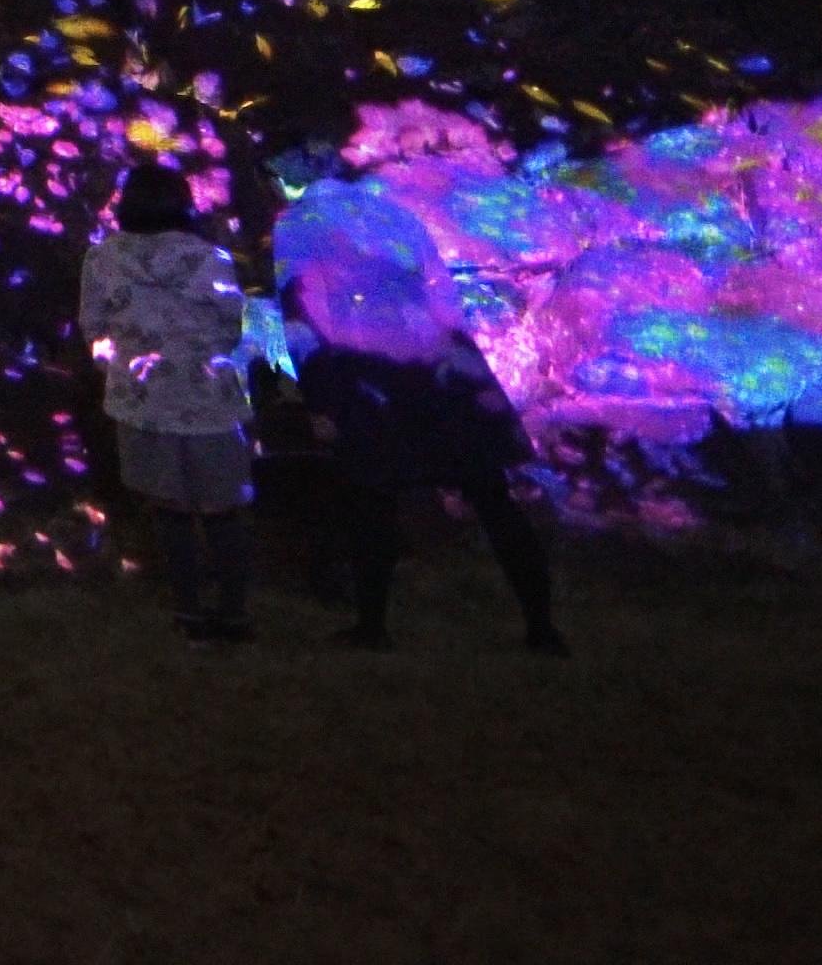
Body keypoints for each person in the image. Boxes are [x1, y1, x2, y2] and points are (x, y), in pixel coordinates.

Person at [288, 265, 567, 656]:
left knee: (376, 508)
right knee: (494, 507)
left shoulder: (361, 336)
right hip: (457, 425)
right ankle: (541, 629)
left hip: (404, 425)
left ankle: (372, 626)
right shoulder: (436, 331)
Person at [79, 165, 256, 642]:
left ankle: (188, 612)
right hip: (210, 401)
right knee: (222, 509)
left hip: (142, 402)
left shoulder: (102, 260)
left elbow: (92, 325)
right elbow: (235, 324)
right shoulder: (209, 258)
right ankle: (234, 614)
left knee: (170, 510)